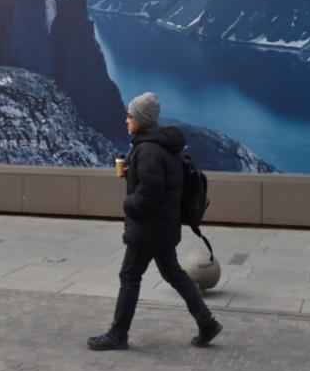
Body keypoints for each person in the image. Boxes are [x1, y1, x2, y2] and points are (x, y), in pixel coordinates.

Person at [88, 92, 222, 350]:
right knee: (174, 273)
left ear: (141, 119)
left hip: (149, 227)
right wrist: (131, 176)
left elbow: (150, 193)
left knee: (129, 276)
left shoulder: (148, 149)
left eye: (130, 116)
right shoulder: (161, 146)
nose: (126, 120)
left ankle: (118, 334)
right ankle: (207, 323)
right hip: (164, 225)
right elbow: (154, 182)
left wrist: (128, 204)